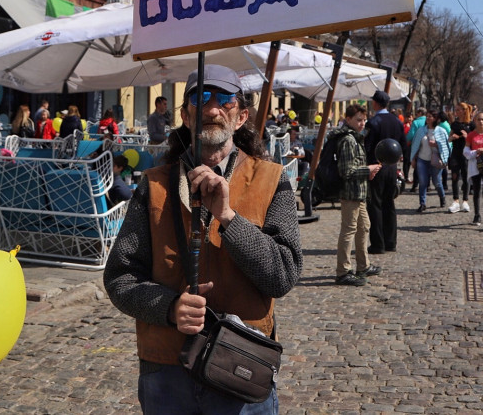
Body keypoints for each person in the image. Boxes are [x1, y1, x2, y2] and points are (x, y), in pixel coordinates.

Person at [104, 64, 301, 414]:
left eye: (224, 100)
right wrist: (168, 307)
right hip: (167, 371)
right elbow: (120, 276)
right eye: (201, 97)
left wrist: (229, 218)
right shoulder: (154, 185)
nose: (212, 108)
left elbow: (282, 275)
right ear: (185, 114)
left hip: (242, 366)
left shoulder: (271, 180)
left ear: (240, 116)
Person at [333, 104, 383, 286]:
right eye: (358, 120)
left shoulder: (356, 138)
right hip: (350, 193)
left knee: (364, 227)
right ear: (348, 120)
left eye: (364, 120)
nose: (362, 124)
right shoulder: (348, 140)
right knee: (349, 230)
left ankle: (363, 265)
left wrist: (367, 172)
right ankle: (343, 271)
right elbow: (346, 171)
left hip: (360, 192)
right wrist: (367, 169)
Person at [364, 89, 404, 254]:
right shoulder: (397, 121)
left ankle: (378, 243)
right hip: (391, 166)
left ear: (375, 103)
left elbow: (367, 146)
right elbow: (402, 144)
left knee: (375, 204)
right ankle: (391, 241)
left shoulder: (373, 122)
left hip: (376, 166)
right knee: (390, 203)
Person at [409, 110, 450, 212]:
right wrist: (413, 158)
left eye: (431, 116)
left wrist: (436, 145)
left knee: (437, 182)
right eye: (427, 116)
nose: (428, 118)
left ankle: (442, 197)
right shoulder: (421, 131)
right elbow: (415, 145)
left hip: (435, 160)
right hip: (422, 160)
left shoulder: (441, 131)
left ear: (436, 118)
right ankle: (422, 203)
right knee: (423, 182)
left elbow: (445, 146)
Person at [446, 103, 473, 215]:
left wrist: (467, 137)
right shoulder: (455, 124)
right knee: (454, 177)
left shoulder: (471, 125)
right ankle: (456, 200)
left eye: (458, 110)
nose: (456, 112)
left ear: (464, 110)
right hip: (456, 153)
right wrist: (452, 138)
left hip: (466, 154)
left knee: (466, 177)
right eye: (455, 110)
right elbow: (449, 138)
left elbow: (474, 140)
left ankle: (465, 201)